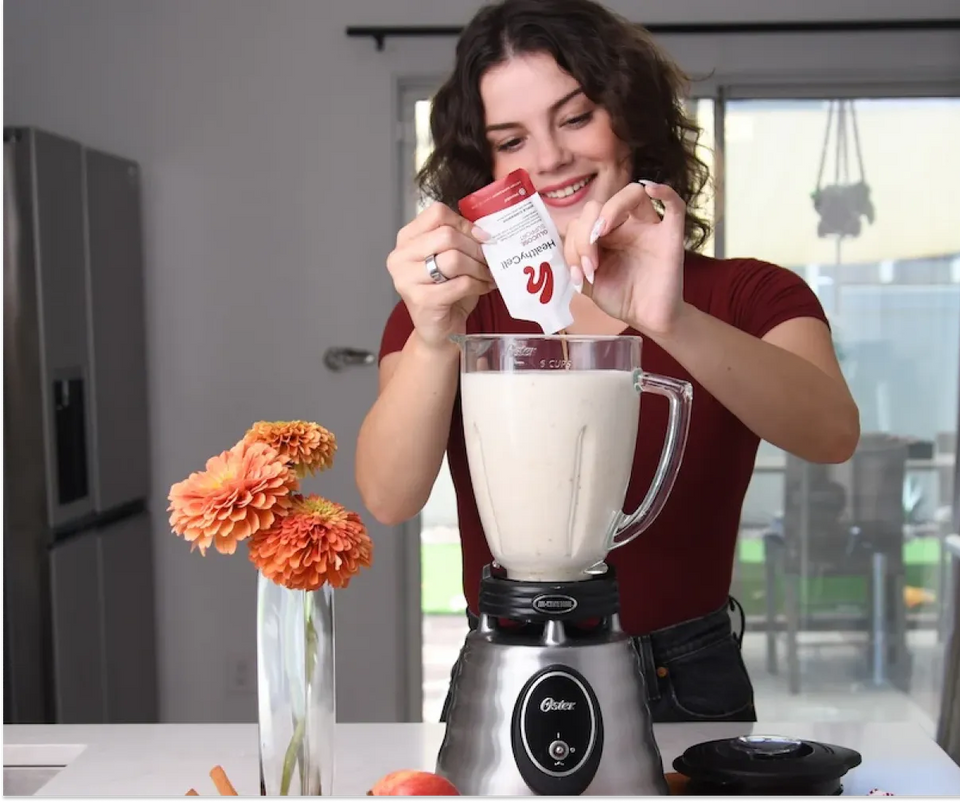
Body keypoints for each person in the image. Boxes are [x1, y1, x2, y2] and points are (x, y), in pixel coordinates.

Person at [357, 0, 860, 723]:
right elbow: (389, 495)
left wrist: (670, 319)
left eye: (575, 116)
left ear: (630, 117)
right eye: (510, 138)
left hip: (687, 677)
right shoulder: (453, 312)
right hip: (506, 664)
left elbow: (831, 432)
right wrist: (436, 335)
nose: (550, 158)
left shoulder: (749, 292)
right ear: (484, 167)